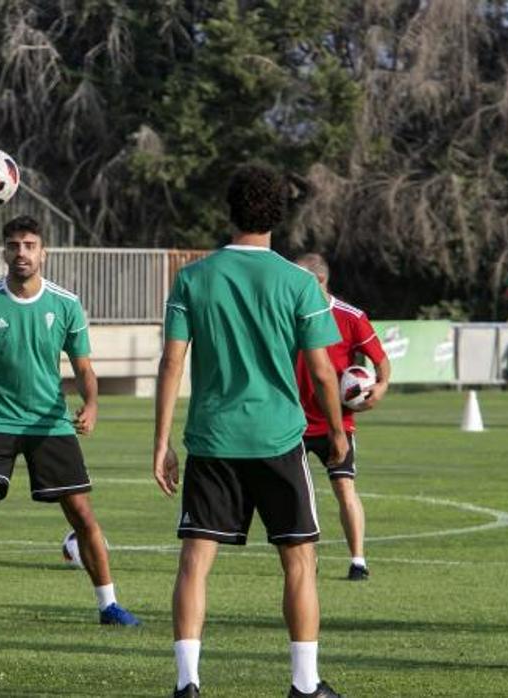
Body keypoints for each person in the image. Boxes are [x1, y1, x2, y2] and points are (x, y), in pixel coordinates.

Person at [153, 165, 347, 698]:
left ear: (229, 210)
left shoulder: (193, 278)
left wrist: (161, 442)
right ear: (279, 217)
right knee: (299, 559)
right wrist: (335, 430)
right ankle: (305, 685)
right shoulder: (299, 282)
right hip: (279, 439)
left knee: (195, 562)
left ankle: (187, 683)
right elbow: (324, 370)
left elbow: (172, 363)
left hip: (212, 441)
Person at [0, 215, 139, 631]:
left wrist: (92, 403)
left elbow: (83, 366)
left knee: (82, 513)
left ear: (43, 252)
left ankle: (109, 604)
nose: (21, 253)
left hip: (50, 423)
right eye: (13, 245)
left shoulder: (65, 303)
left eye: (29, 245)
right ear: (3, 251)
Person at [294, 253, 391, 581]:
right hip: (292, 420)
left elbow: (380, 360)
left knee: (344, 487)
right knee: (296, 493)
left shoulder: (351, 316)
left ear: (318, 280)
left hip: (337, 422)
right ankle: (308, 558)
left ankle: (358, 560)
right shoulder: (288, 313)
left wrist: (380, 387)